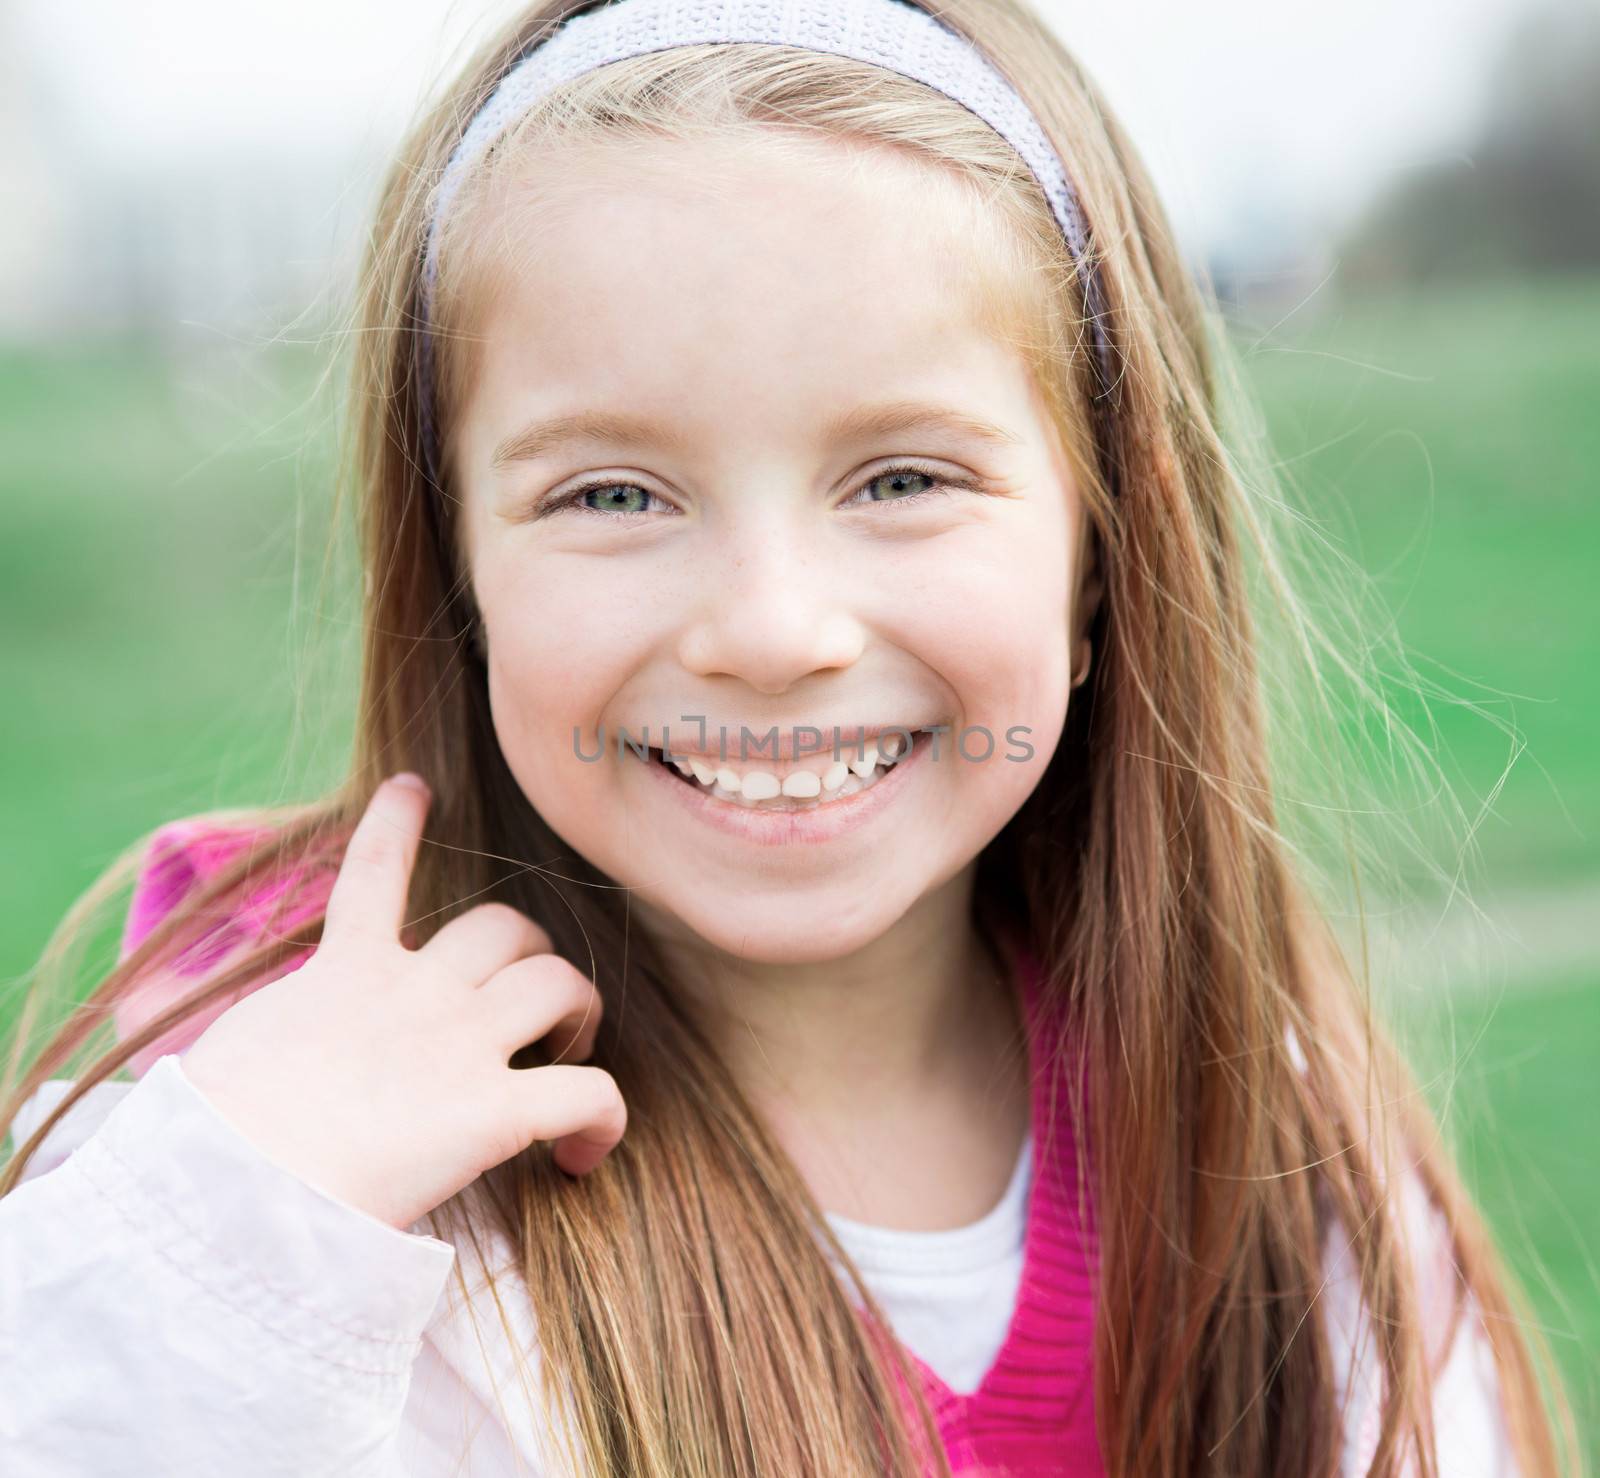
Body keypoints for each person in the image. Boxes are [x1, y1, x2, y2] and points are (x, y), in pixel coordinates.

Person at [0, 1, 1577, 1474]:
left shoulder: (1249, 1123)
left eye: (902, 480)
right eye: (611, 494)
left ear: (1104, 562)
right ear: (458, 564)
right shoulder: (298, 1157)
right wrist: (241, 1246)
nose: (770, 627)